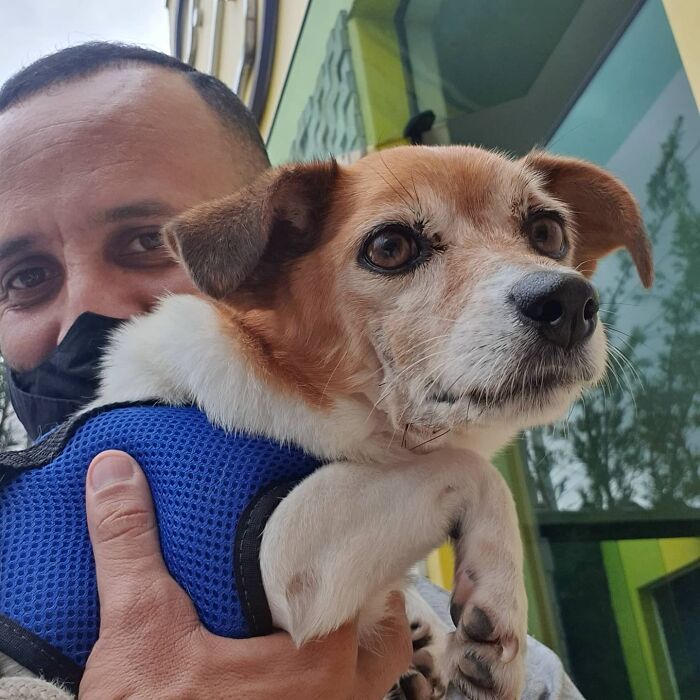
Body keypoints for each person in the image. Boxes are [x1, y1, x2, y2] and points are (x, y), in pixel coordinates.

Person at [0, 43, 584, 700]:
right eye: (23, 277)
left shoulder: (512, 672)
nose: (86, 311)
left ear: (269, 248)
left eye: (146, 241)